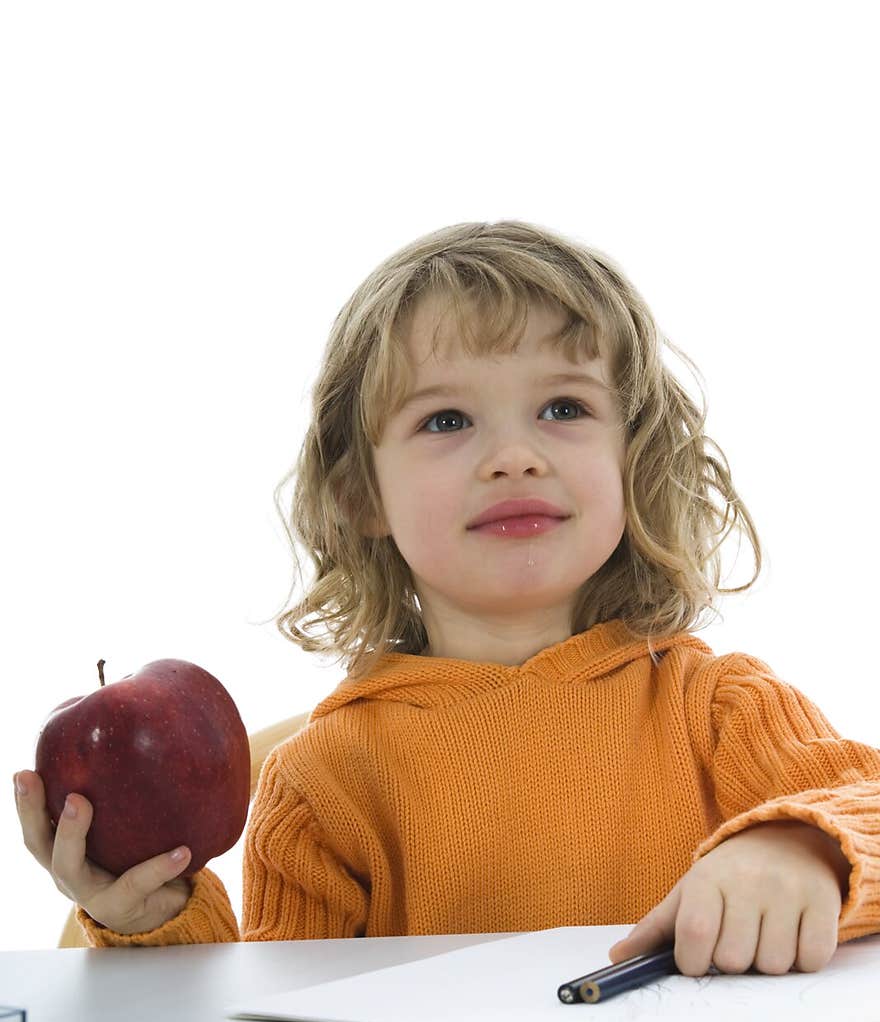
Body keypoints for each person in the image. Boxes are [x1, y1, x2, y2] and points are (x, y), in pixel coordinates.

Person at [13, 219, 880, 976]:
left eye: (564, 408)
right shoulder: (323, 782)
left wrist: (801, 846)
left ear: (633, 462)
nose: (513, 455)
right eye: (446, 421)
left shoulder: (720, 707)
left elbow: (864, 805)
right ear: (360, 496)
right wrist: (156, 916)